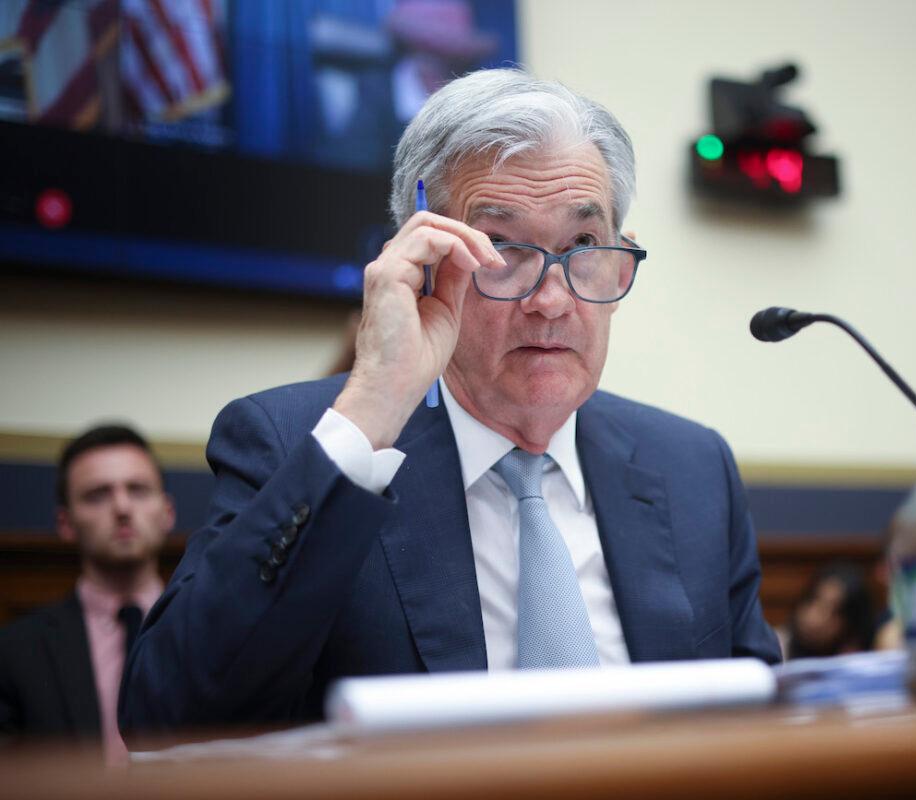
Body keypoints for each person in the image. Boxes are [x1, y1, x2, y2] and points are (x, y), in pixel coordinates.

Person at [121, 68, 780, 734]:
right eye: (500, 248)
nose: (551, 302)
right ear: (424, 258)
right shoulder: (295, 442)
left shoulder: (692, 469)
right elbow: (166, 717)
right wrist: (375, 402)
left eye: (583, 246)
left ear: (622, 259)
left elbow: (759, 728)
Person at [0, 425, 174, 761]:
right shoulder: (14, 652)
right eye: (97, 494)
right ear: (65, 523)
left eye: (137, 490)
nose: (122, 507)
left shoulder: (214, 632)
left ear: (167, 512)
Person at [780, 563, 877, 660]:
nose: (815, 618)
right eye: (814, 600)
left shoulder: (859, 660)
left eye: (834, 611)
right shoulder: (778, 646)